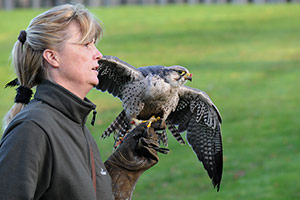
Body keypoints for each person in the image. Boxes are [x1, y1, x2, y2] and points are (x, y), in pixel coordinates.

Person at [0, 4, 166, 200]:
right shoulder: (33, 129)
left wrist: (120, 171)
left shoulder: (74, 123)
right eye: (86, 44)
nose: (98, 54)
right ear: (52, 57)